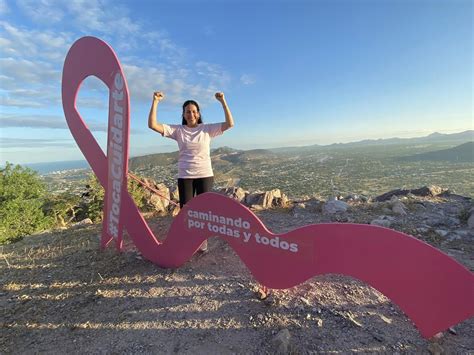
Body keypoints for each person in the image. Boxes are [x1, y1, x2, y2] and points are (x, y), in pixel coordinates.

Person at [148, 91, 235, 251]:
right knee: (186, 212)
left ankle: (202, 243)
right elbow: (152, 125)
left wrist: (223, 101)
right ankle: (188, 242)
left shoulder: (207, 129)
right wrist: (155, 102)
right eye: (188, 111)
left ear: (198, 113)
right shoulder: (178, 130)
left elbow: (230, 124)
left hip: (205, 175)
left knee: (204, 212)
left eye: (194, 111)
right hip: (185, 176)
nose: (191, 114)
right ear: (183, 114)